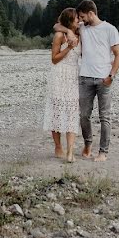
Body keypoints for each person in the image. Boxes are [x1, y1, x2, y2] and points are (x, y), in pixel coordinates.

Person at [54, 0, 119, 162]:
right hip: (84, 79)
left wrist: (111, 76)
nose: (81, 19)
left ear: (91, 13)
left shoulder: (110, 29)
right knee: (84, 115)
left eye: (83, 16)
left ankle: (103, 152)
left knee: (104, 116)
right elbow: (56, 26)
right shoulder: (83, 28)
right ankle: (88, 144)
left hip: (104, 79)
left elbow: (118, 55)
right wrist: (69, 32)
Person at [43, 8, 81, 163]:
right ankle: (58, 146)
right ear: (69, 21)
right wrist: (69, 47)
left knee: (72, 111)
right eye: (76, 18)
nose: (79, 20)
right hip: (58, 75)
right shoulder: (59, 36)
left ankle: (71, 150)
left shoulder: (81, 33)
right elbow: (54, 59)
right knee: (57, 111)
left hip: (73, 76)